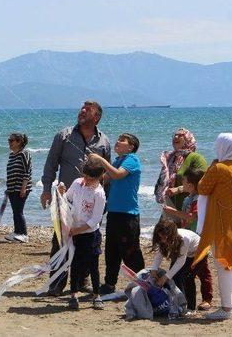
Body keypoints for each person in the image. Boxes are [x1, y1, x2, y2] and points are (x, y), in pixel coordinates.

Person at [40, 101, 111, 295]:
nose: (82, 112)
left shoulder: (103, 141)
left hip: (92, 201)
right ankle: (57, 282)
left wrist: (105, 201)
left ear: (96, 116)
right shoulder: (64, 135)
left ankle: (82, 280)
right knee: (61, 241)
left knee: (87, 243)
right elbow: (51, 164)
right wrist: (47, 189)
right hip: (67, 200)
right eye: (82, 109)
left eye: (87, 110)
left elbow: (106, 173)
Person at [192, 133, 232, 320]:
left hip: (222, 222)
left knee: (223, 265)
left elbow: (202, 188)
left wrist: (211, 166)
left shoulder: (219, 168)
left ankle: (226, 309)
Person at [89, 133, 145, 295]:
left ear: (131, 146)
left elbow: (118, 174)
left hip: (128, 215)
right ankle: (109, 284)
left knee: (130, 252)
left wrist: (101, 160)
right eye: (118, 139)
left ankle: (143, 284)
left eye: (122, 140)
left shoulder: (132, 159)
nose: (118, 142)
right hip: (114, 213)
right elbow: (105, 178)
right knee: (111, 251)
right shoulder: (118, 160)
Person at [161, 167, 213, 310]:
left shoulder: (198, 200)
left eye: (183, 183)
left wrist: (173, 212)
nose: (181, 185)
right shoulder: (190, 197)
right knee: (184, 271)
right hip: (186, 238)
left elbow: (191, 218)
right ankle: (181, 298)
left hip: (198, 239)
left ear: (190, 185)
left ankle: (207, 298)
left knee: (202, 271)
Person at [58, 159, 106, 310]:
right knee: (75, 263)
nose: (86, 181)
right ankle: (73, 295)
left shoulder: (99, 193)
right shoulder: (78, 183)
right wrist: (61, 192)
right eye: (85, 176)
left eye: (91, 179)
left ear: (99, 177)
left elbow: (96, 219)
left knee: (93, 265)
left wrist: (78, 230)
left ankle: (96, 295)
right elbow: (68, 198)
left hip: (90, 234)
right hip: (75, 231)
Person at [155, 128, 207, 223]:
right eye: (174, 135)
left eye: (180, 135)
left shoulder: (196, 158)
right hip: (170, 204)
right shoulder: (170, 157)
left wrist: (178, 189)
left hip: (189, 207)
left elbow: (202, 182)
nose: (175, 137)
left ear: (188, 139)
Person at [150, 219, 201, 312]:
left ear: (172, 234)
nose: (162, 240)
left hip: (197, 252)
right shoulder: (164, 238)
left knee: (187, 278)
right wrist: (153, 269)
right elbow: (159, 254)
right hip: (181, 253)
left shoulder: (185, 239)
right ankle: (176, 303)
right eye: (160, 237)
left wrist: (165, 277)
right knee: (174, 278)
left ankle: (189, 307)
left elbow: (181, 261)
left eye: (165, 237)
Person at [4, 133, 33, 243]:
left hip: (21, 187)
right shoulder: (12, 155)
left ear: (19, 142)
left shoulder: (24, 154)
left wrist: (23, 188)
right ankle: (17, 232)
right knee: (15, 211)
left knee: (19, 211)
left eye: (11, 141)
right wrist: (8, 188)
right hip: (12, 188)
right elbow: (10, 172)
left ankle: (24, 234)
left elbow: (27, 172)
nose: (9, 143)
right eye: (9, 141)